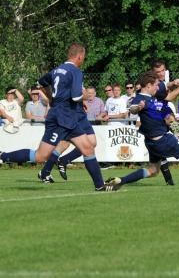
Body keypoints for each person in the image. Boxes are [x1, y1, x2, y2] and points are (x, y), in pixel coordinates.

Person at [0, 43, 116, 191]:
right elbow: (76, 97)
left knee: (88, 147)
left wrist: (52, 99)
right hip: (62, 118)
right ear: (79, 56)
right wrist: (85, 96)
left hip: (67, 117)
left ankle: (100, 186)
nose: (83, 60)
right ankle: (3, 156)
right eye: (84, 57)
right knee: (40, 156)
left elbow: (40, 83)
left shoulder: (57, 69)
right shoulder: (75, 71)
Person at [151, 59, 179, 186]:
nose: (161, 73)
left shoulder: (162, 80)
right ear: (153, 72)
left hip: (161, 110)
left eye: (163, 70)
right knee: (158, 152)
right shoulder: (153, 82)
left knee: (172, 119)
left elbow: (166, 85)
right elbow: (168, 97)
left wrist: (174, 82)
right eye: (158, 71)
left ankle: (178, 138)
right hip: (152, 115)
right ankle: (178, 141)